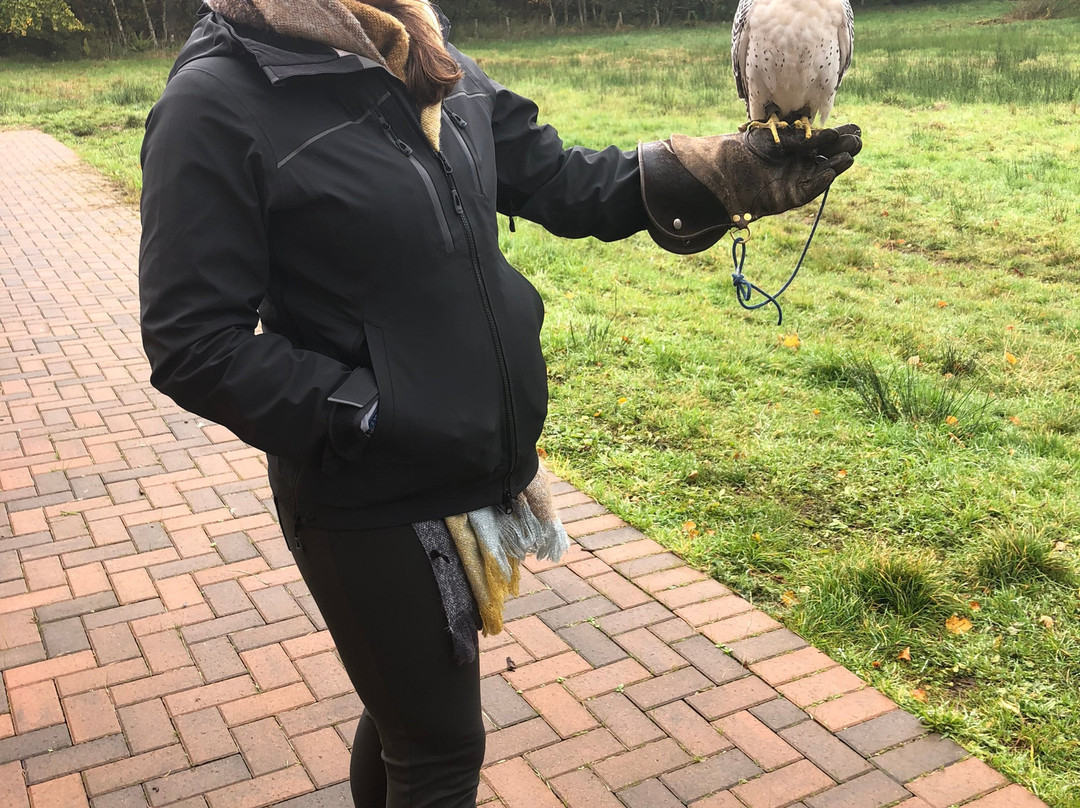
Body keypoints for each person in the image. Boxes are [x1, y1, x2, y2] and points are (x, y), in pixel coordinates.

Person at [138, 0, 861, 804]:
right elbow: (194, 341)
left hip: (473, 463)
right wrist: (378, 412)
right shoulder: (218, 98)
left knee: (408, 719)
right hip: (364, 492)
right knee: (439, 747)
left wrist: (722, 172)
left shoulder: (426, 54)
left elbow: (562, 181)